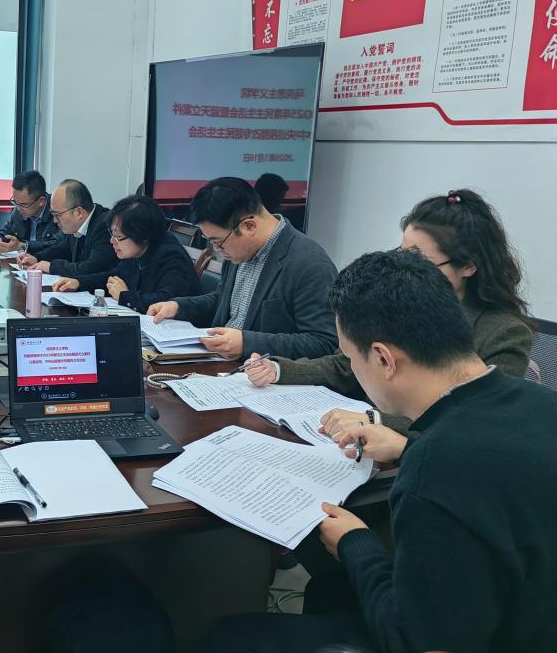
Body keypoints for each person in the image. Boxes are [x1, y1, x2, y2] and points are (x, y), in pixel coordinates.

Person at [205, 249, 557, 652]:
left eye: (351, 357)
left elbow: (419, 641)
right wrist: (406, 449)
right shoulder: (541, 403)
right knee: (330, 589)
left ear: (384, 359)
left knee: (229, 637)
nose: (352, 368)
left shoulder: (434, 470)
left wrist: (355, 542)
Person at [245, 189, 535, 436]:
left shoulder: (503, 332)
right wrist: (280, 370)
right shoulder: (402, 299)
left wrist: (375, 420)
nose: (406, 266)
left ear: (468, 266)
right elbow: (349, 363)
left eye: (419, 258)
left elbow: (477, 424)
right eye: (401, 251)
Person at [147, 177, 338, 360]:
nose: (217, 250)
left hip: (261, 373)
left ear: (249, 226)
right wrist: (179, 307)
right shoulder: (239, 248)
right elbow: (222, 301)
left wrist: (247, 343)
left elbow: (324, 343)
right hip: (218, 362)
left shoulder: (309, 264)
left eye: (219, 242)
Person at [53, 194, 201, 313]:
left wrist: (125, 296)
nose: (112, 241)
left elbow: (166, 301)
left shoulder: (171, 257)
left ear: (143, 235)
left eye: (118, 236)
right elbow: (115, 276)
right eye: (112, 234)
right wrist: (79, 283)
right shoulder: (136, 251)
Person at [16, 179, 118, 277]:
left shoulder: (105, 226)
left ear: (79, 212)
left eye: (57, 215)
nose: (55, 220)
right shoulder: (76, 226)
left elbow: (91, 268)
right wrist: (36, 258)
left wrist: (51, 267)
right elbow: (62, 249)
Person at [0, 170, 62, 254]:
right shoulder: (19, 210)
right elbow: (4, 236)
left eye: (23, 204)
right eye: (15, 202)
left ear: (41, 201)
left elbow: (58, 245)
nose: (18, 208)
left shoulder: (58, 212)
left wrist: (22, 246)